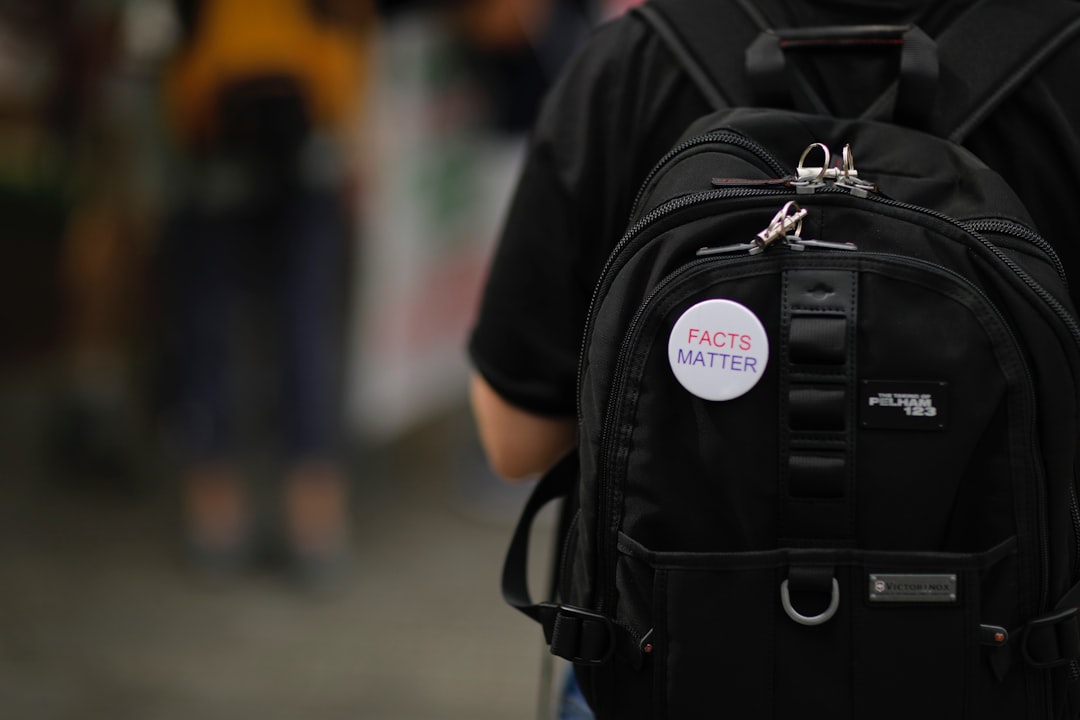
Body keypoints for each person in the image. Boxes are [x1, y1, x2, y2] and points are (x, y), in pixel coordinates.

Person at [467, 0, 1080, 714]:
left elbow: (516, 439)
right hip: (1001, 665)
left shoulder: (634, 60)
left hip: (671, 660)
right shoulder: (1065, 57)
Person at [160, 0, 374, 584]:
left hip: (270, 112)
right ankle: (271, 513)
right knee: (248, 323)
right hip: (248, 112)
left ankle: (275, 513)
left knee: (264, 323)